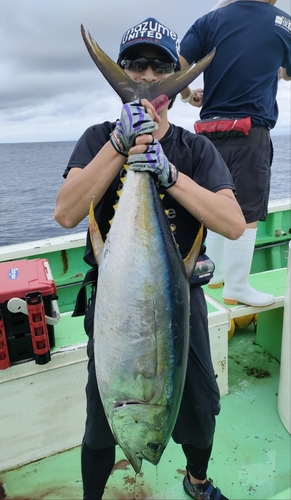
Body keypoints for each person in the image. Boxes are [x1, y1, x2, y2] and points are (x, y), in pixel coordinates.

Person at [54, 17, 245, 500]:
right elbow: (66, 212)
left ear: (176, 84)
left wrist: (167, 171)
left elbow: (233, 223)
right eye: (135, 65)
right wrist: (120, 146)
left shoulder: (194, 148)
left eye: (159, 66)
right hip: (116, 304)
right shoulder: (97, 137)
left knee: (200, 406)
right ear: (122, 71)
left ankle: (196, 481)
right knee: (100, 422)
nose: (145, 76)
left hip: (181, 302)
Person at [179, 0, 291, 307]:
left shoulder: (210, 20)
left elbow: (178, 64)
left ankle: (214, 275)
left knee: (216, 201)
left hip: (207, 134)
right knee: (247, 210)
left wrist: (189, 95)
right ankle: (238, 285)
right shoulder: (283, 22)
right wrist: (280, 70)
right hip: (249, 133)